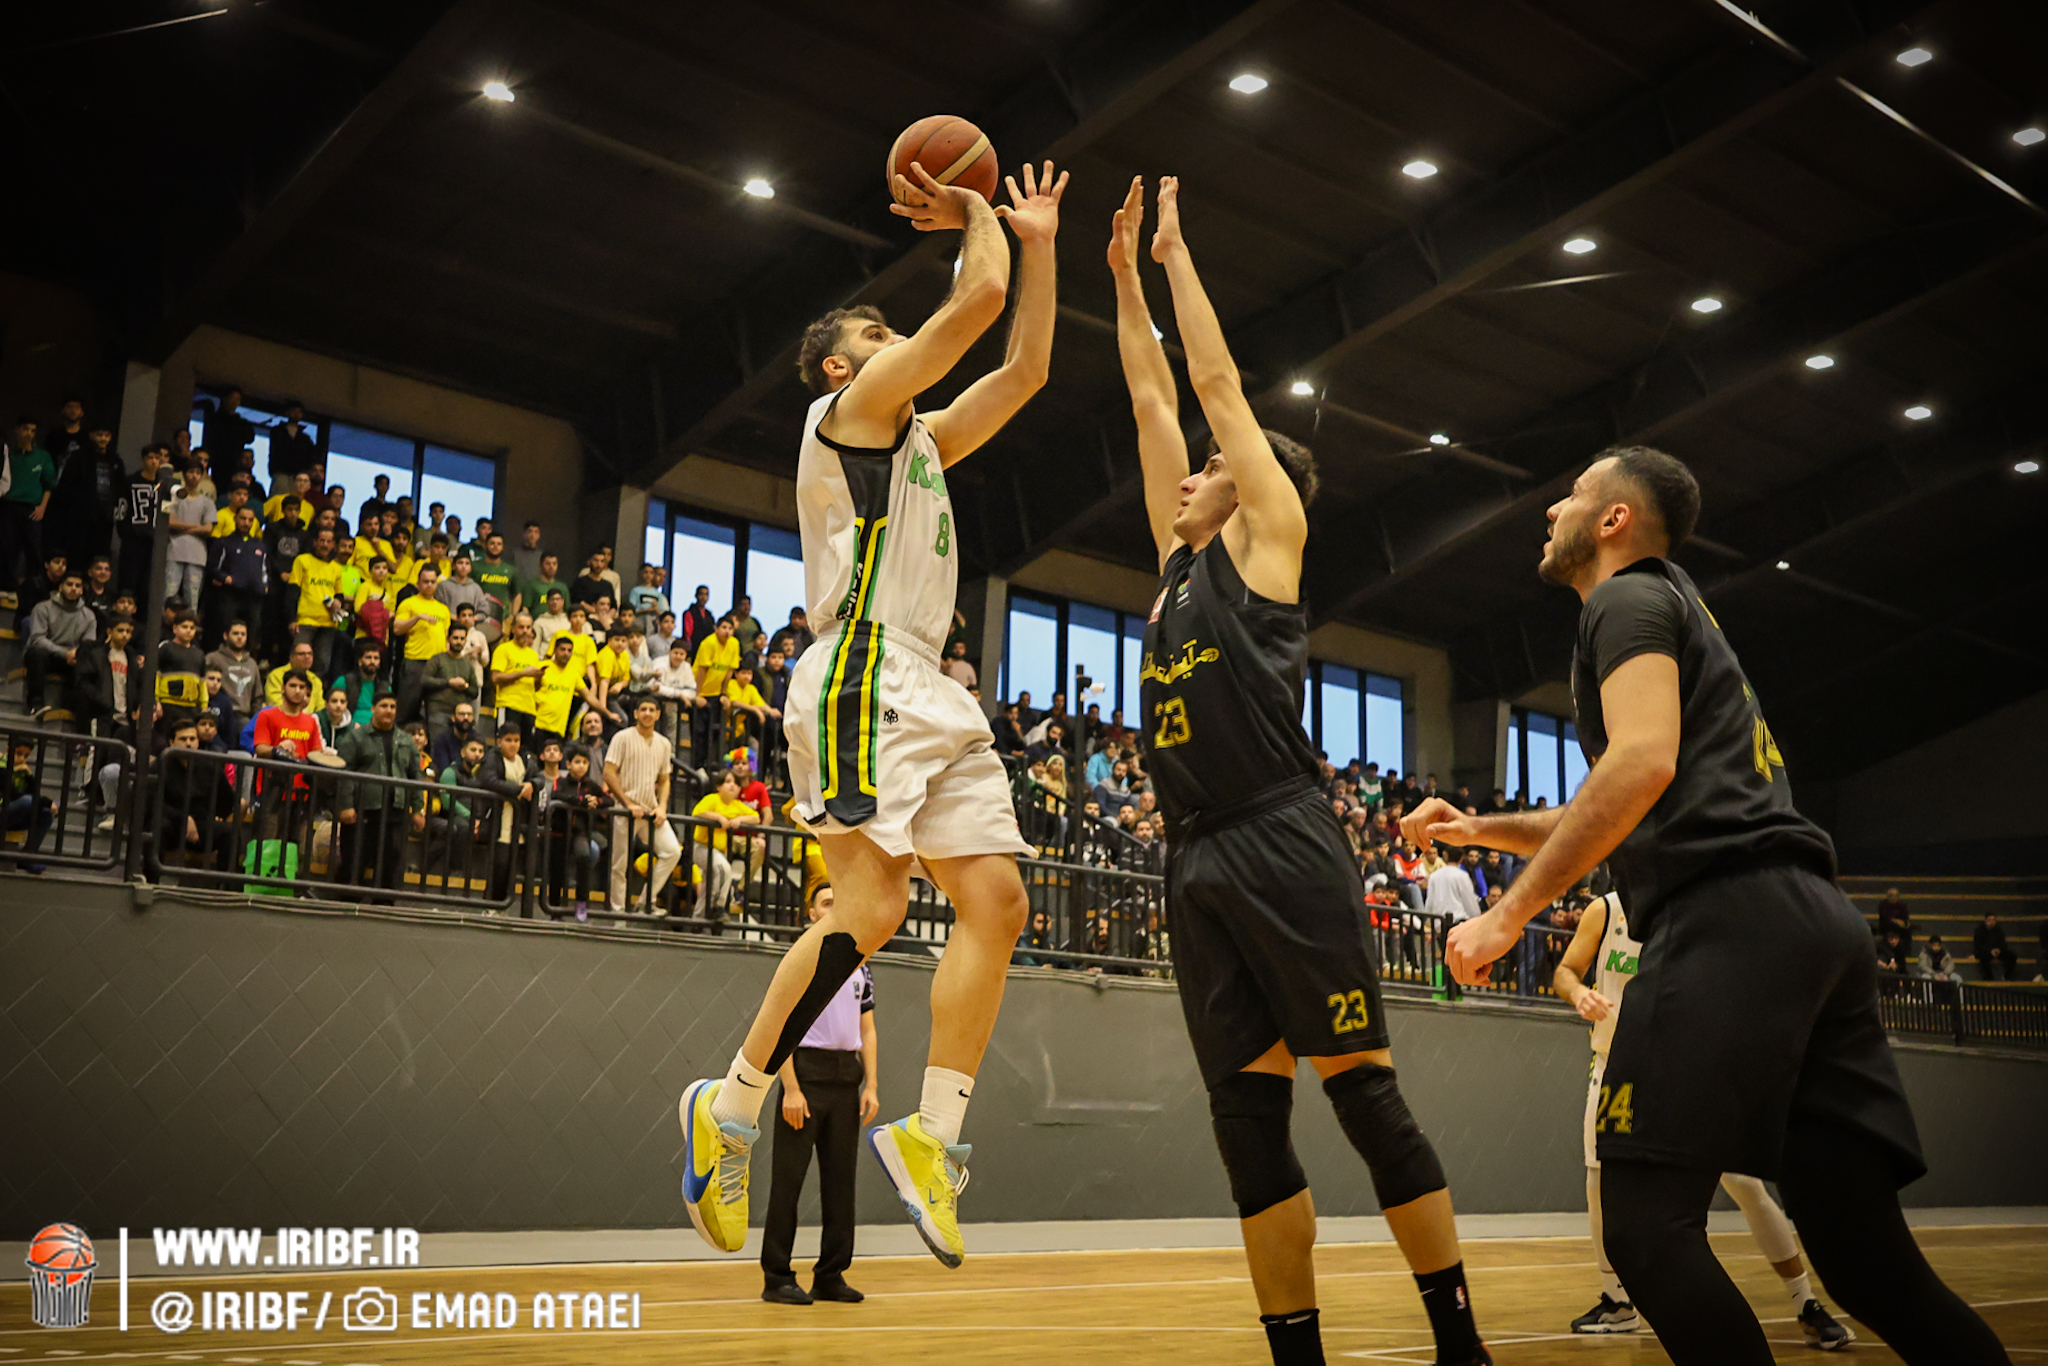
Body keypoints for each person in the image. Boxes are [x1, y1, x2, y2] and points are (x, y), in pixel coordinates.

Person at [1401, 448, 2002, 1365]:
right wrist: (1478, 828)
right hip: (1809, 923)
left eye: (1572, 494)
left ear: (1613, 521)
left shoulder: (1624, 599)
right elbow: (1629, 805)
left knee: (1644, 1230)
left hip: (1731, 922)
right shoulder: (1675, 609)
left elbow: (1640, 764)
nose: (1551, 509)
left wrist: (1508, 915)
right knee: (1869, 1262)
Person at [1112, 175, 1486, 1366]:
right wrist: (1117, 282)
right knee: (1245, 1123)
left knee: (1362, 1097)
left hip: (1279, 836)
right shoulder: (1171, 569)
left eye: (1206, 467)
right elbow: (1149, 394)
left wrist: (1174, 258)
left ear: (1245, 482)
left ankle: (1459, 1345)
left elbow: (1211, 387)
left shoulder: (1266, 542)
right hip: (1194, 856)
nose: (1183, 475)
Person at [677, 156, 1061, 1264]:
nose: (900, 343)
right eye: (881, 334)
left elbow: (1026, 365)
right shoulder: (845, 415)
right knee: (872, 908)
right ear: (846, 366)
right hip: (860, 668)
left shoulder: (922, 442)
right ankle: (732, 1104)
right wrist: (979, 212)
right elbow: (975, 304)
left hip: (931, 684)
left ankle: (933, 1137)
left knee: (997, 902)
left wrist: (1037, 244)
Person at [1552, 892, 1853, 1346]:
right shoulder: (1606, 910)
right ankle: (1616, 1301)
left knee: (1743, 1181)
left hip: (1686, 1068)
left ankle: (1805, 1301)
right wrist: (1578, 993)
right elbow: (1565, 970)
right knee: (1599, 1181)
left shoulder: (1693, 912)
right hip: (1616, 1066)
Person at [761, 879, 878, 1306]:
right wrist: (790, 1088)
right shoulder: (802, 959)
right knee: (788, 1182)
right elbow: (779, 1025)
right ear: (811, 914)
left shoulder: (860, 964)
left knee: (841, 1183)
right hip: (805, 1076)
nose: (833, 908)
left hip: (846, 1078)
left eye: (838, 902)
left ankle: (831, 1274)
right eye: (826, 903)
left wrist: (871, 1084)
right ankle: (777, 1276)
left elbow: (867, 1029)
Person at [335, 693, 426, 898]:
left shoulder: (406, 740)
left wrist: (418, 808)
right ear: (373, 709)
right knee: (355, 859)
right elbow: (343, 773)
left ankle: (384, 904)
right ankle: (346, 903)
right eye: (384, 706)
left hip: (396, 810)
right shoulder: (355, 737)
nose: (389, 710)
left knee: (391, 861)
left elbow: (415, 775)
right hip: (363, 809)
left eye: (393, 707)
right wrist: (346, 805)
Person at [603, 695, 681, 916]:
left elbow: (664, 779)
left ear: (658, 714)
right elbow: (608, 773)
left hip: (650, 809)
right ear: (636, 713)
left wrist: (662, 807)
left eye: (651, 710)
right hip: (624, 810)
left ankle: (646, 902)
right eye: (643, 709)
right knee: (620, 864)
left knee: (672, 851)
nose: (647, 713)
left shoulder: (664, 743)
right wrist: (628, 803)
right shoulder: (622, 737)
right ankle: (618, 911)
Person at [52, 421, 126, 574]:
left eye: (106, 435)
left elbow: (120, 488)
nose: (103, 439)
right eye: (99, 435)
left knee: (99, 559)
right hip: (80, 520)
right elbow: (65, 487)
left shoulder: (116, 461)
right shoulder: (79, 457)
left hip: (104, 520)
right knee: (77, 558)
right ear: (92, 435)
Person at [22, 570, 96, 719]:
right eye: (69, 584)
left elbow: (89, 643)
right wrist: (64, 653)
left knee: (89, 663)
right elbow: (37, 638)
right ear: (61, 587)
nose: (73, 589)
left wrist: (76, 654)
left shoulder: (89, 615)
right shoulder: (43, 608)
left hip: (71, 659)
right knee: (37, 653)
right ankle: (36, 705)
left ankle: (71, 707)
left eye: (78, 586)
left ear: (82, 590)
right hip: (47, 655)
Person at [1, 417, 57, 597]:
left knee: (34, 549)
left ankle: (35, 589)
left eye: (33, 431)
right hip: (9, 506)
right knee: (7, 548)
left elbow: (49, 485)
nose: (29, 434)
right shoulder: (9, 454)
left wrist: (42, 507)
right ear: (17, 429)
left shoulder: (42, 456)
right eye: (26, 429)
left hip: (32, 508)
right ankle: (7, 588)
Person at [393, 564, 452, 723]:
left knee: (435, 712)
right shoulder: (409, 603)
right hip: (415, 662)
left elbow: (446, 638)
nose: (429, 585)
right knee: (407, 709)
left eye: (432, 582)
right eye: (425, 581)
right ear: (418, 583)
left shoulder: (443, 609)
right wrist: (417, 617)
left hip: (437, 664)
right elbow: (397, 629)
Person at [289, 527, 349, 679]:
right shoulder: (302, 560)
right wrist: (291, 620)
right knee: (298, 662)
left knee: (322, 665)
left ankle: (315, 692)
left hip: (328, 624)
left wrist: (338, 601)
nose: (325, 545)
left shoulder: (336, 568)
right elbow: (292, 592)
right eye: (322, 540)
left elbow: (339, 595)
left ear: (333, 545)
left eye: (329, 542)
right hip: (305, 621)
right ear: (315, 542)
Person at [0, 735, 56, 874]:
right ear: (8, 750)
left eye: (26, 756)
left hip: (10, 815)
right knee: (27, 801)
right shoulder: (1, 766)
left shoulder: (22, 770)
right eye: (18, 753)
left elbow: (34, 795)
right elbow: (14, 795)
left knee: (45, 814)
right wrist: (48, 802)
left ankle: (27, 856)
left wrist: (29, 776)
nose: (22, 759)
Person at [422, 623, 484, 742]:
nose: (458, 642)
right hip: (438, 711)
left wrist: (464, 687)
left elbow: (474, 691)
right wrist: (449, 682)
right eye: (455, 638)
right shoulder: (437, 659)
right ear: (448, 639)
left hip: (460, 716)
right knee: (438, 746)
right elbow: (425, 681)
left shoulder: (468, 665)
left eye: (462, 639)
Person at [1972, 914, 2017, 981]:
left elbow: (2003, 943)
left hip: (1998, 951)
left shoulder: (1999, 930)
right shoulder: (1979, 931)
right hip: (1985, 952)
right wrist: (1990, 951)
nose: (1991, 922)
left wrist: (1999, 950)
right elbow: (1979, 945)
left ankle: (2007, 977)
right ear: (1985, 921)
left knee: (2012, 956)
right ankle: (1989, 978)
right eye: (1989, 920)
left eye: (1993, 920)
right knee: (1983, 958)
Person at [679, 583, 715, 659]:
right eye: (701, 594)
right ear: (696, 595)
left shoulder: (709, 615)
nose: (703, 597)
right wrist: (689, 653)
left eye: (706, 594)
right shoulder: (690, 613)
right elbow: (687, 634)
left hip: (707, 650)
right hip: (694, 649)